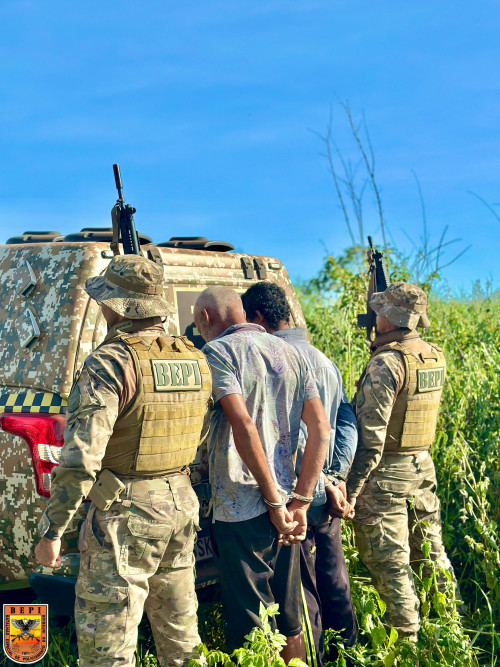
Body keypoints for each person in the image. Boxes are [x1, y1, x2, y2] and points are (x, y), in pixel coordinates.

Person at [34, 255, 212, 667]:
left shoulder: (111, 361)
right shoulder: (194, 358)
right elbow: (200, 435)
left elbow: (82, 458)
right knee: (182, 639)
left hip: (125, 515)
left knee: (107, 648)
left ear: (115, 304)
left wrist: (52, 530)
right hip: (182, 506)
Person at [193, 286, 331, 663]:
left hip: (242, 506)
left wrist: (271, 500)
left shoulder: (217, 353)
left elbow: (244, 424)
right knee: (289, 620)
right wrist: (299, 501)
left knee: (250, 622)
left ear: (206, 318)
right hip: (288, 508)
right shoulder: (290, 352)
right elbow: (320, 427)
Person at [241, 281, 358, 666]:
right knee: (334, 579)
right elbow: (344, 424)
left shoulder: (277, 358)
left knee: (301, 595)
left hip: (298, 496)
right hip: (325, 492)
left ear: (257, 318)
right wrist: (336, 477)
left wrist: (315, 483)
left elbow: (300, 436)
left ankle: (319, 659)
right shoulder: (323, 358)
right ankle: (351, 654)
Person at [346, 282, 459, 640]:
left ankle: (407, 644)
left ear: (390, 317)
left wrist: (351, 491)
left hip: (386, 478)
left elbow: (371, 440)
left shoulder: (387, 363)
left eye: (380, 310)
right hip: (421, 467)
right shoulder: (432, 355)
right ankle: (452, 630)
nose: (374, 315)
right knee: (432, 554)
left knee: (392, 566)